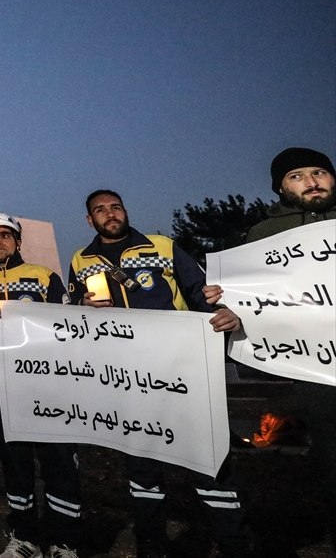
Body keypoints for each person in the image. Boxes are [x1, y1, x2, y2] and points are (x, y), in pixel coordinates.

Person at [68, 190, 251, 558]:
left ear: (125, 210)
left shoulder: (162, 246)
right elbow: (73, 313)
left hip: (181, 371)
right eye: (100, 210)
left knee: (209, 464)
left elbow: (201, 293)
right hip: (127, 380)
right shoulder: (80, 259)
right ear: (90, 221)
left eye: (115, 207)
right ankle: (150, 546)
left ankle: (234, 545)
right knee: (142, 469)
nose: (110, 214)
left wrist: (228, 313)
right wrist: (81, 305)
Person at [0, 213, 81, 558]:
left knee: (59, 462)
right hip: (2, 387)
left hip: (46, 384)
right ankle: (24, 539)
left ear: (18, 241)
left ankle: (65, 542)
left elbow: (69, 324)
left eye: (5, 235)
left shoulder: (44, 276)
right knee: (14, 464)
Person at [243, 147, 335, 540]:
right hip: (315, 372)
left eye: (319, 172)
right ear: (280, 187)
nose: (312, 181)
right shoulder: (264, 236)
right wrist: (233, 310)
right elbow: (250, 299)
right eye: (297, 176)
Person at [245, 147, 336, 242]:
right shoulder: (262, 234)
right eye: (295, 176)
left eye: (318, 173)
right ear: (280, 188)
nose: (312, 183)